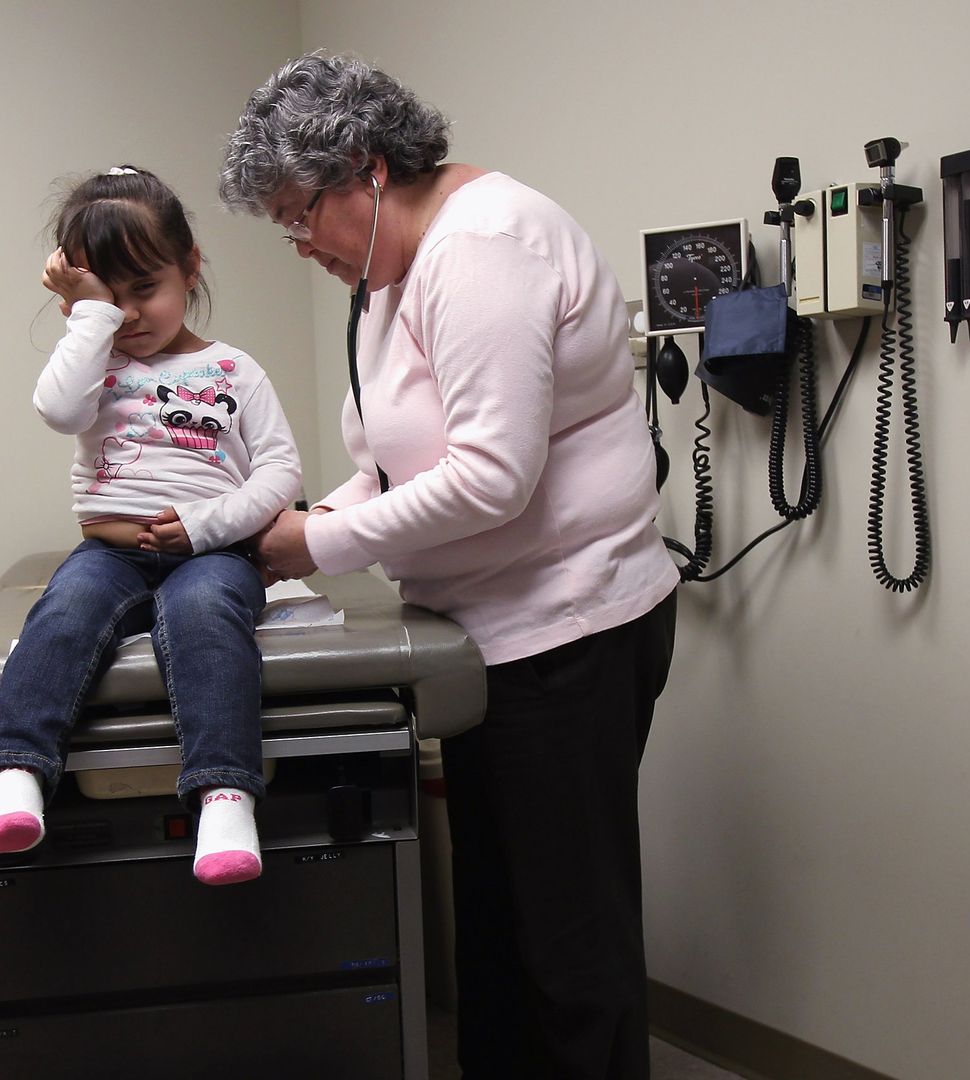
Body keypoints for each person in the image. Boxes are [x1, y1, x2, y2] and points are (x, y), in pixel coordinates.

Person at [221, 55, 680, 1078]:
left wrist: (317, 543)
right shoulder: (393, 273)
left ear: (367, 169)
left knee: (569, 944)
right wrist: (290, 526)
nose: (300, 245)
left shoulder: (483, 250)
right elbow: (394, 466)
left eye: (302, 214)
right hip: (486, 641)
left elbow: (489, 481)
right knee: (502, 930)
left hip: (572, 632)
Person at [0, 165, 301, 887]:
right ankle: (18, 774)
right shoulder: (94, 363)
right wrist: (88, 318)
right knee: (64, 610)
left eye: (144, 290)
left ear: (190, 268)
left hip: (207, 554)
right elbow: (58, 412)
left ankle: (224, 796)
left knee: (205, 612)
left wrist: (205, 525)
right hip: (109, 554)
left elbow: (281, 475)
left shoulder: (234, 370)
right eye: (107, 301)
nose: (130, 316)